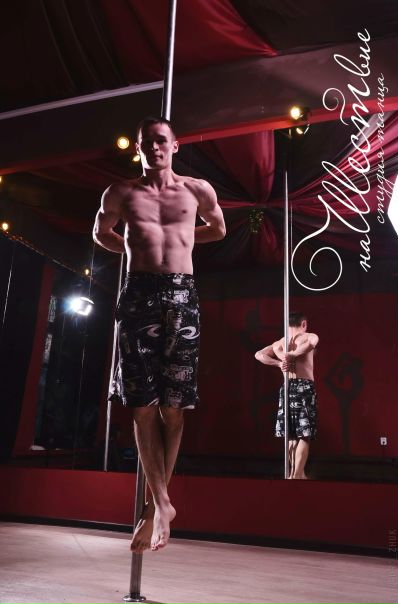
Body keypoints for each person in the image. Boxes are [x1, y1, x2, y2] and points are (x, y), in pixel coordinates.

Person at [93, 116, 226, 552]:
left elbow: (219, 228)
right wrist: (133, 247)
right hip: (139, 294)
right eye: (147, 141)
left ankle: (155, 508)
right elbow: (101, 233)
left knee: (174, 407)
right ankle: (162, 503)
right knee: (141, 405)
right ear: (138, 147)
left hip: (183, 295)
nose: (155, 147)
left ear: (175, 145)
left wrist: (184, 237)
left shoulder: (197, 190)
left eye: (161, 140)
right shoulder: (120, 193)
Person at [255, 311, 318, 479]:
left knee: (291, 434)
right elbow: (313, 341)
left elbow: (259, 354)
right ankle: (296, 476)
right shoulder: (307, 336)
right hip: (303, 386)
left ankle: (295, 474)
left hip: (287, 388)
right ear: (303, 324)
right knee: (304, 433)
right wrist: (292, 356)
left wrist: (279, 361)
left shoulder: (279, 343)